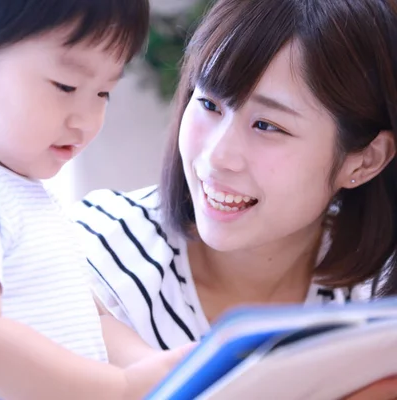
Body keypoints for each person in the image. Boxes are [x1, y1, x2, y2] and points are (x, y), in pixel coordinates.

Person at [72, 0, 397, 397]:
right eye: (208, 104)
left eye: (267, 125)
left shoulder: (373, 305)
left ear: (365, 160)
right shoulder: (92, 260)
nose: (216, 157)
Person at [0, 1, 193, 399]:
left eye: (104, 92)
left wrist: (156, 368)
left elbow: (92, 321)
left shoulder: (20, 191)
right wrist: (119, 387)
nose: (85, 120)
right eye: (65, 86)